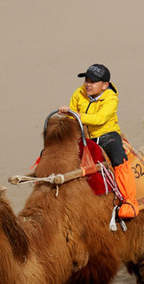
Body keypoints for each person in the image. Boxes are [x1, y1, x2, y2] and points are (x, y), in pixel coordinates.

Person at [59, 64, 138, 219]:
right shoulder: (78, 93)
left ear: (104, 85)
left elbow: (100, 119)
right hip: (83, 135)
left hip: (106, 134)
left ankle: (130, 201)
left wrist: (77, 115)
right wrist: (67, 113)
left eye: (93, 81)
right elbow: (72, 117)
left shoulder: (111, 99)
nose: (88, 84)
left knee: (118, 157)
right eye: (87, 80)